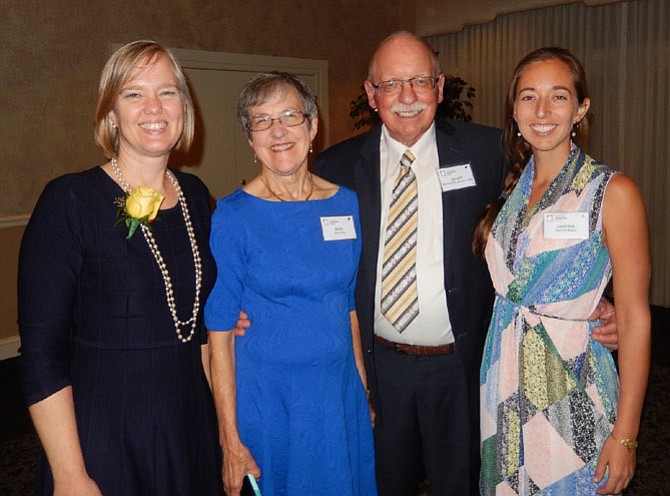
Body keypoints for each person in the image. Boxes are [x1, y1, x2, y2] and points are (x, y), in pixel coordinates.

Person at [312, 31, 619, 496]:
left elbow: (544, 222)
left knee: (462, 483)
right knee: (381, 483)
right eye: (391, 84)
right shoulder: (334, 169)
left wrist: (597, 300)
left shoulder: (489, 151)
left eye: (419, 81)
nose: (408, 97)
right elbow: (307, 255)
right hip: (378, 368)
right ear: (371, 95)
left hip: (465, 365)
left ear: (439, 87)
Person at [17, 41, 222, 496]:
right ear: (110, 112)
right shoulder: (69, 200)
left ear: (185, 108)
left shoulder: (195, 196)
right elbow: (41, 353)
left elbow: (198, 320)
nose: (154, 107)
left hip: (189, 421)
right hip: (106, 433)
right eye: (134, 94)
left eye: (168, 93)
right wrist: (70, 474)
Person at [475, 47, 650, 495]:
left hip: (572, 388)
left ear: (580, 108)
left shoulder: (613, 192)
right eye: (528, 97)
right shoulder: (510, 190)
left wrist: (626, 436)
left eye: (558, 96)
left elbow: (633, 318)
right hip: (503, 381)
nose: (542, 111)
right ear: (513, 111)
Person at [204, 72, 377, 496]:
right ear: (250, 139)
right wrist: (229, 436)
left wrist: (362, 390)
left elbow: (348, 305)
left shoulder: (346, 204)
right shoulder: (233, 216)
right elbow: (220, 334)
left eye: (289, 116)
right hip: (270, 402)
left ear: (313, 126)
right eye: (261, 121)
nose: (277, 131)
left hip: (337, 396)